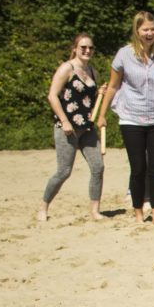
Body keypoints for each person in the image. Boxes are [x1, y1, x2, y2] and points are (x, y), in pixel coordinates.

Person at [96, 11, 154, 225]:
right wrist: (102, 114)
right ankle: (138, 213)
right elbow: (113, 86)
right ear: (137, 31)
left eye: (153, 29)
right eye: (145, 30)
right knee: (138, 169)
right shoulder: (124, 54)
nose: (150, 33)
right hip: (131, 119)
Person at [40, 32, 104, 221]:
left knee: (98, 167)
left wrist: (99, 93)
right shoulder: (66, 68)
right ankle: (43, 207)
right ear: (75, 49)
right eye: (83, 47)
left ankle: (94, 210)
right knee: (64, 171)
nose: (87, 50)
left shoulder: (92, 71)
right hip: (67, 127)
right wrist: (65, 121)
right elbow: (52, 96)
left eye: (90, 47)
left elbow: (88, 100)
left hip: (87, 128)